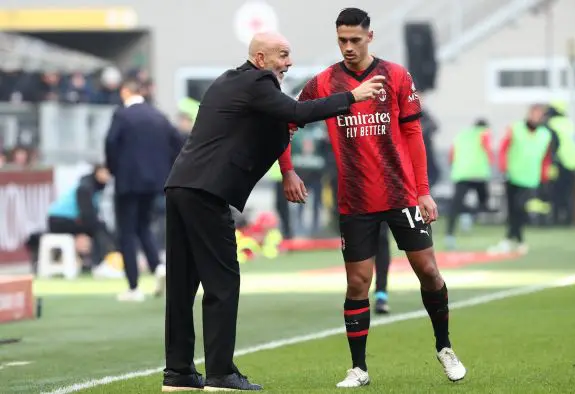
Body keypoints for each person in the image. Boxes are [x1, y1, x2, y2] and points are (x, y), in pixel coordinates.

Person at [161, 31, 386, 392]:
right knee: (223, 283)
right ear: (262, 59)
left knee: (183, 285)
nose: (289, 62)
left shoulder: (231, 81)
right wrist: (351, 97)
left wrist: (287, 168)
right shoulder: (257, 81)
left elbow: (280, 122)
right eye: (282, 55)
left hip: (180, 187)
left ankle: (179, 375)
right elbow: (296, 112)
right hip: (206, 193)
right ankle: (220, 373)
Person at [279, 8, 466, 388]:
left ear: (370, 37)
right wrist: (287, 170)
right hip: (355, 200)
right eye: (342, 40)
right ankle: (359, 369)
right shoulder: (324, 82)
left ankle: (444, 347)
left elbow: (413, 135)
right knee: (357, 283)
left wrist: (423, 192)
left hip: (401, 195)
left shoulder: (396, 75)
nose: (348, 47)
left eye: (355, 40)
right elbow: (287, 122)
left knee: (428, 271)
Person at [105, 78, 182, 302]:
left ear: (125, 92)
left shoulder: (122, 115)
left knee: (127, 231)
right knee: (144, 226)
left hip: (128, 181)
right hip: (155, 182)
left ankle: (133, 286)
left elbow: (111, 143)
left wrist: (114, 169)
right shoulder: (158, 116)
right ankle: (157, 267)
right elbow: (177, 143)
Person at [488, 104, 558, 254]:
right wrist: (503, 166)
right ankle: (519, 241)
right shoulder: (516, 128)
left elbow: (546, 157)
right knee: (513, 210)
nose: (536, 117)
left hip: (530, 178)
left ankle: (509, 240)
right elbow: (504, 148)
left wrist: (544, 175)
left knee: (520, 208)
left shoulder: (545, 134)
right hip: (513, 175)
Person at [45, 164, 120, 277]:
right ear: (98, 172)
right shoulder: (86, 187)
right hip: (60, 220)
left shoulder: (93, 186)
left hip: (64, 218)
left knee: (99, 227)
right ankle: (99, 263)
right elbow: (87, 214)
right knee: (98, 229)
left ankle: (96, 261)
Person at [445, 119, 494, 250]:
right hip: (478, 174)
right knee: (484, 204)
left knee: (455, 205)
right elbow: (488, 151)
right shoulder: (484, 133)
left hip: (461, 174)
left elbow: (451, 155)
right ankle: (469, 215)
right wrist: (490, 163)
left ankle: (449, 235)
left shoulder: (461, 135)